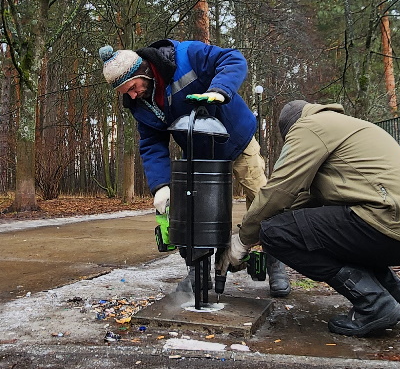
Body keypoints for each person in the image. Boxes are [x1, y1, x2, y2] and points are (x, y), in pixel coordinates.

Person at [221, 101, 400, 337]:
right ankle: (396, 294)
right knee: (323, 232)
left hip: (388, 223)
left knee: (275, 234)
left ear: (289, 130)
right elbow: (303, 206)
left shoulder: (309, 127)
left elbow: (278, 191)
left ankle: (374, 303)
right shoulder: (347, 125)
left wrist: (242, 241)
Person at [99, 39, 290, 297]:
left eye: (132, 87)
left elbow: (233, 59)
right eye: (125, 93)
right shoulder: (140, 104)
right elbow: (151, 143)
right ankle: (197, 270)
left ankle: (276, 262)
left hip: (237, 138)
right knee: (190, 213)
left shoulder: (186, 55)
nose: (132, 95)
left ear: (143, 70)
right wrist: (161, 185)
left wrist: (220, 89)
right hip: (198, 154)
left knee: (262, 199)